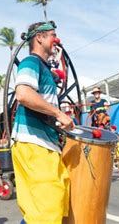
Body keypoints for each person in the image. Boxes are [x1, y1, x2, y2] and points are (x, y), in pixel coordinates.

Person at [12, 21, 74, 223]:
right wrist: (58, 114)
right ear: (39, 37)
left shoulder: (45, 68)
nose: (56, 40)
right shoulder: (31, 62)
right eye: (52, 35)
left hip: (47, 143)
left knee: (54, 206)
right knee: (46, 210)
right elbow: (23, 94)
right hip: (33, 141)